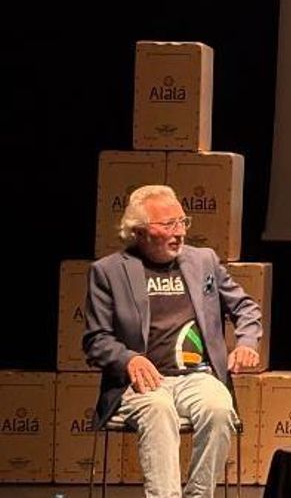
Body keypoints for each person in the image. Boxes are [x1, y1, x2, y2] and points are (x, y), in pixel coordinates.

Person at [83, 184, 262, 498]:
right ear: (138, 231)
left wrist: (247, 342)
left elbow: (245, 307)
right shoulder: (108, 271)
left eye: (182, 222)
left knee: (219, 408)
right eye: (168, 225)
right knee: (159, 408)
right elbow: (96, 340)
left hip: (197, 376)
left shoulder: (203, 260)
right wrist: (129, 359)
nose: (179, 232)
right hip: (141, 382)